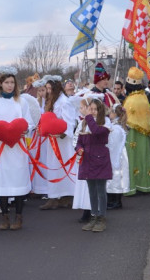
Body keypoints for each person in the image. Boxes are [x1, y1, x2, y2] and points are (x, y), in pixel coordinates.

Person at [0, 72, 35, 230]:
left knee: (17, 180)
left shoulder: (22, 102)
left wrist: (25, 130)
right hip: (0, 148)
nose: (10, 85)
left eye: (12, 82)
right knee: (3, 181)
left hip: (17, 148)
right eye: (7, 82)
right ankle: (4, 216)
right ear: (1, 84)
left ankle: (18, 216)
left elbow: (29, 122)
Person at [75, 98, 112, 232]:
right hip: (88, 159)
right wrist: (79, 149)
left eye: (95, 109)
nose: (93, 112)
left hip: (100, 158)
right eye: (91, 109)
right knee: (91, 190)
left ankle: (101, 217)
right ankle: (94, 216)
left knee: (101, 190)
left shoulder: (105, 122)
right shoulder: (84, 123)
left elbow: (96, 131)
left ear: (100, 110)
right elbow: (79, 140)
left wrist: (88, 116)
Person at [39, 78, 76, 210]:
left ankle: (65, 196)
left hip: (62, 142)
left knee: (63, 167)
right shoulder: (52, 101)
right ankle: (54, 195)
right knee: (53, 167)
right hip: (53, 141)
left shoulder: (64, 102)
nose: (48, 91)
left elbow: (70, 121)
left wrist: (61, 132)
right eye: (47, 89)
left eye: (50, 89)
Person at [122, 67, 150, 195]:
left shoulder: (133, 99)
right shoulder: (142, 96)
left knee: (131, 159)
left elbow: (126, 117)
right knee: (142, 157)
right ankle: (143, 185)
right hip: (143, 133)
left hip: (132, 133)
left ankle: (131, 186)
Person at [106, 103, 130, 209]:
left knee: (116, 177)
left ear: (115, 114)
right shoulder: (116, 126)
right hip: (117, 154)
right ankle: (113, 200)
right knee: (115, 177)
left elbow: (113, 144)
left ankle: (116, 201)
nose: (109, 114)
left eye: (111, 112)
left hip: (115, 155)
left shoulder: (116, 128)